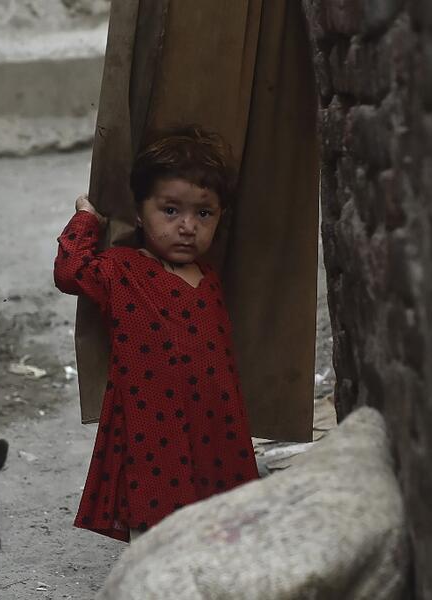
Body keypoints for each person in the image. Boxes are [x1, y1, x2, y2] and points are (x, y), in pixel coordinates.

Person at [53, 125, 259, 542]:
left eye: (204, 214)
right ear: (139, 213)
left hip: (215, 428)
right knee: (158, 532)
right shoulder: (123, 270)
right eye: (170, 210)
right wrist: (86, 219)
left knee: (217, 527)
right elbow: (69, 271)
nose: (187, 227)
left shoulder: (209, 277)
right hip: (153, 432)